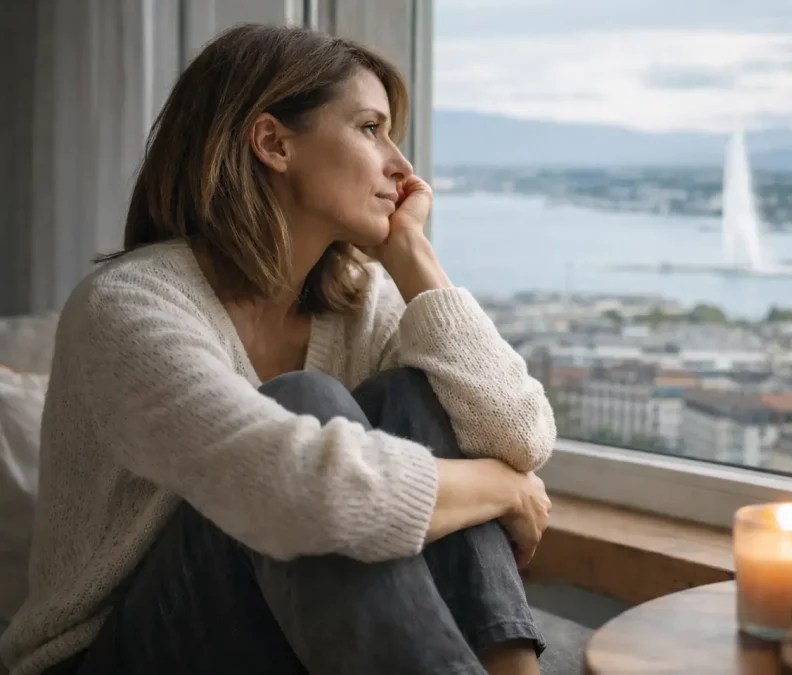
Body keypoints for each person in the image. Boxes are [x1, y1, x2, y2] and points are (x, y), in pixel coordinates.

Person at [0, 23, 560, 675]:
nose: (403, 169)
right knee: (306, 403)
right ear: (273, 142)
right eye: (371, 128)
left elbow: (520, 437)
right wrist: (502, 488)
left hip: (278, 629)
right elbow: (301, 495)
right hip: (106, 654)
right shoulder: (128, 305)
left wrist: (415, 260)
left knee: (415, 395)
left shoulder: (359, 301)